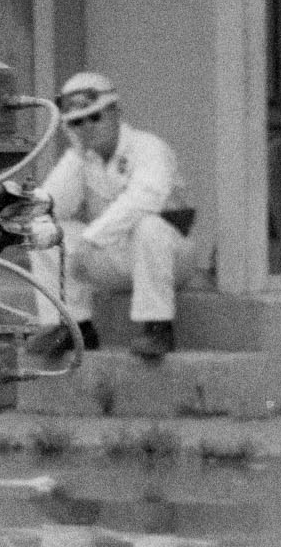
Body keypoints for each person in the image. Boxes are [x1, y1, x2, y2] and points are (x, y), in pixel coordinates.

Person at [31, 63, 188, 358]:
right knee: (43, 229)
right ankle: (74, 326)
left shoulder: (148, 147)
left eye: (95, 116)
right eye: (77, 122)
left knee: (148, 226)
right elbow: (50, 205)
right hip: (114, 256)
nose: (88, 127)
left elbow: (145, 200)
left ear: (115, 112)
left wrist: (91, 240)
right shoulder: (83, 158)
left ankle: (158, 327)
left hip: (170, 257)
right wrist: (76, 153)